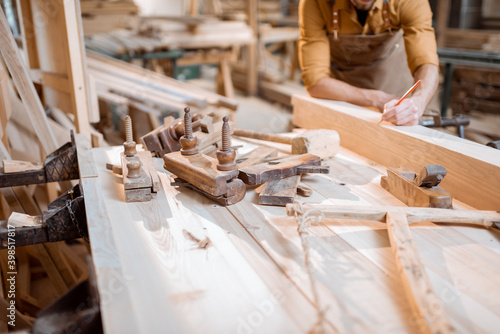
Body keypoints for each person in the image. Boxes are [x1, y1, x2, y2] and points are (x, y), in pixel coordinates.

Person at [298, 0, 440, 125]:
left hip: (395, 90)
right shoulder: (315, 2)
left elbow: (427, 61)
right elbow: (316, 81)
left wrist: (418, 102)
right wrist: (376, 99)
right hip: (340, 95)